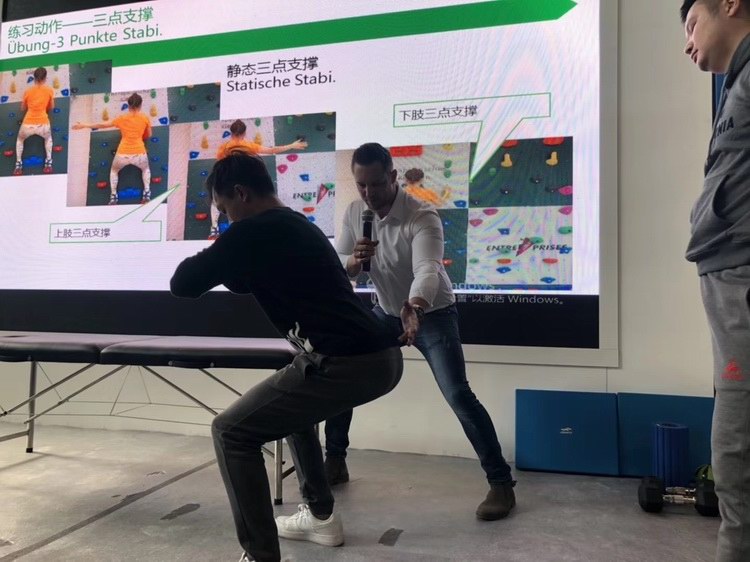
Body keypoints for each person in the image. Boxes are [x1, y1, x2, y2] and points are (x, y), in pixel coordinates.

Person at [170, 152, 408, 562]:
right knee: (292, 410)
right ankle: (320, 516)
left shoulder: (253, 231)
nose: (226, 219)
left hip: (348, 361)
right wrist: (233, 257)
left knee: (231, 432)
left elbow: (184, 283)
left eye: (224, 209)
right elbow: (244, 280)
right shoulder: (295, 224)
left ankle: (260, 555)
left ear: (241, 193)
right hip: (375, 356)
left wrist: (226, 246)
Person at [325, 142, 516, 520]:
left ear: (393, 177)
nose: (368, 193)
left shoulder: (422, 216)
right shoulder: (355, 212)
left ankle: (501, 484)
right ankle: (335, 461)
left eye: (376, 184)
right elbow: (338, 263)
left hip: (432, 313)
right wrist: (353, 262)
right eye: (361, 185)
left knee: (458, 394)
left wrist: (415, 307)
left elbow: (428, 269)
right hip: (385, 313)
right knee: (343, 371)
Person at [681, 1, 750, 560]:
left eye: (692, 24)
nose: (688, 43)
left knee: (736, 446)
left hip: (741, 274)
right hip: (729, 273)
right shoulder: (738, 81)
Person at [208, 119, 308, 239]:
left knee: (223, 204)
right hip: (245, 183)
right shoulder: (248, 145)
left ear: (231, 132)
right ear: (244, 133)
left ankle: (214, 229)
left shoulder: (224, 147)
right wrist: (292, 145)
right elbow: (272, 150)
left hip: (230, 182)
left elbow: (219, 165)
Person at [73, 92, 152, 205]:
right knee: (145, 169)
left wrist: (84, 125)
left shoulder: (121, 119)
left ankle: (113, 196)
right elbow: (149, 135)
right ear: (140, 105)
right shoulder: (145, 118)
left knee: (114, 171)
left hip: (122, 154)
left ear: (128, 106)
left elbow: (102, 125)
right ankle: (147, 193)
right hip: (139, 153)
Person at [15, 66, 55, 176]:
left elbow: (22, 108)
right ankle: (48, 162)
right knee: (48, 139)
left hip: (28, 124)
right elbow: (51, 107)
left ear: (34, 78)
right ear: (45, 78)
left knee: (20, 140)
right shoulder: (49, 90)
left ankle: (18, 164)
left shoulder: (28, 91)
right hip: (43, 124)